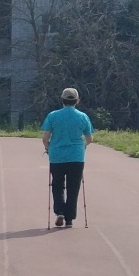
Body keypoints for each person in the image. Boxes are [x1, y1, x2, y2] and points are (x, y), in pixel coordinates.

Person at [40, 87, 94, 228]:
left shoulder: (53, 115)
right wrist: (82, 146)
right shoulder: (83, 116)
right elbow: (89, 138)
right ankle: (69, 218)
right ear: (77, 100)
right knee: (73, 187)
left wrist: (48, 148)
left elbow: (45, 138)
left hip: (57, 156)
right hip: (76, 157)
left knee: (57, 185)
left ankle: (60, 212)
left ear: (62, 100)